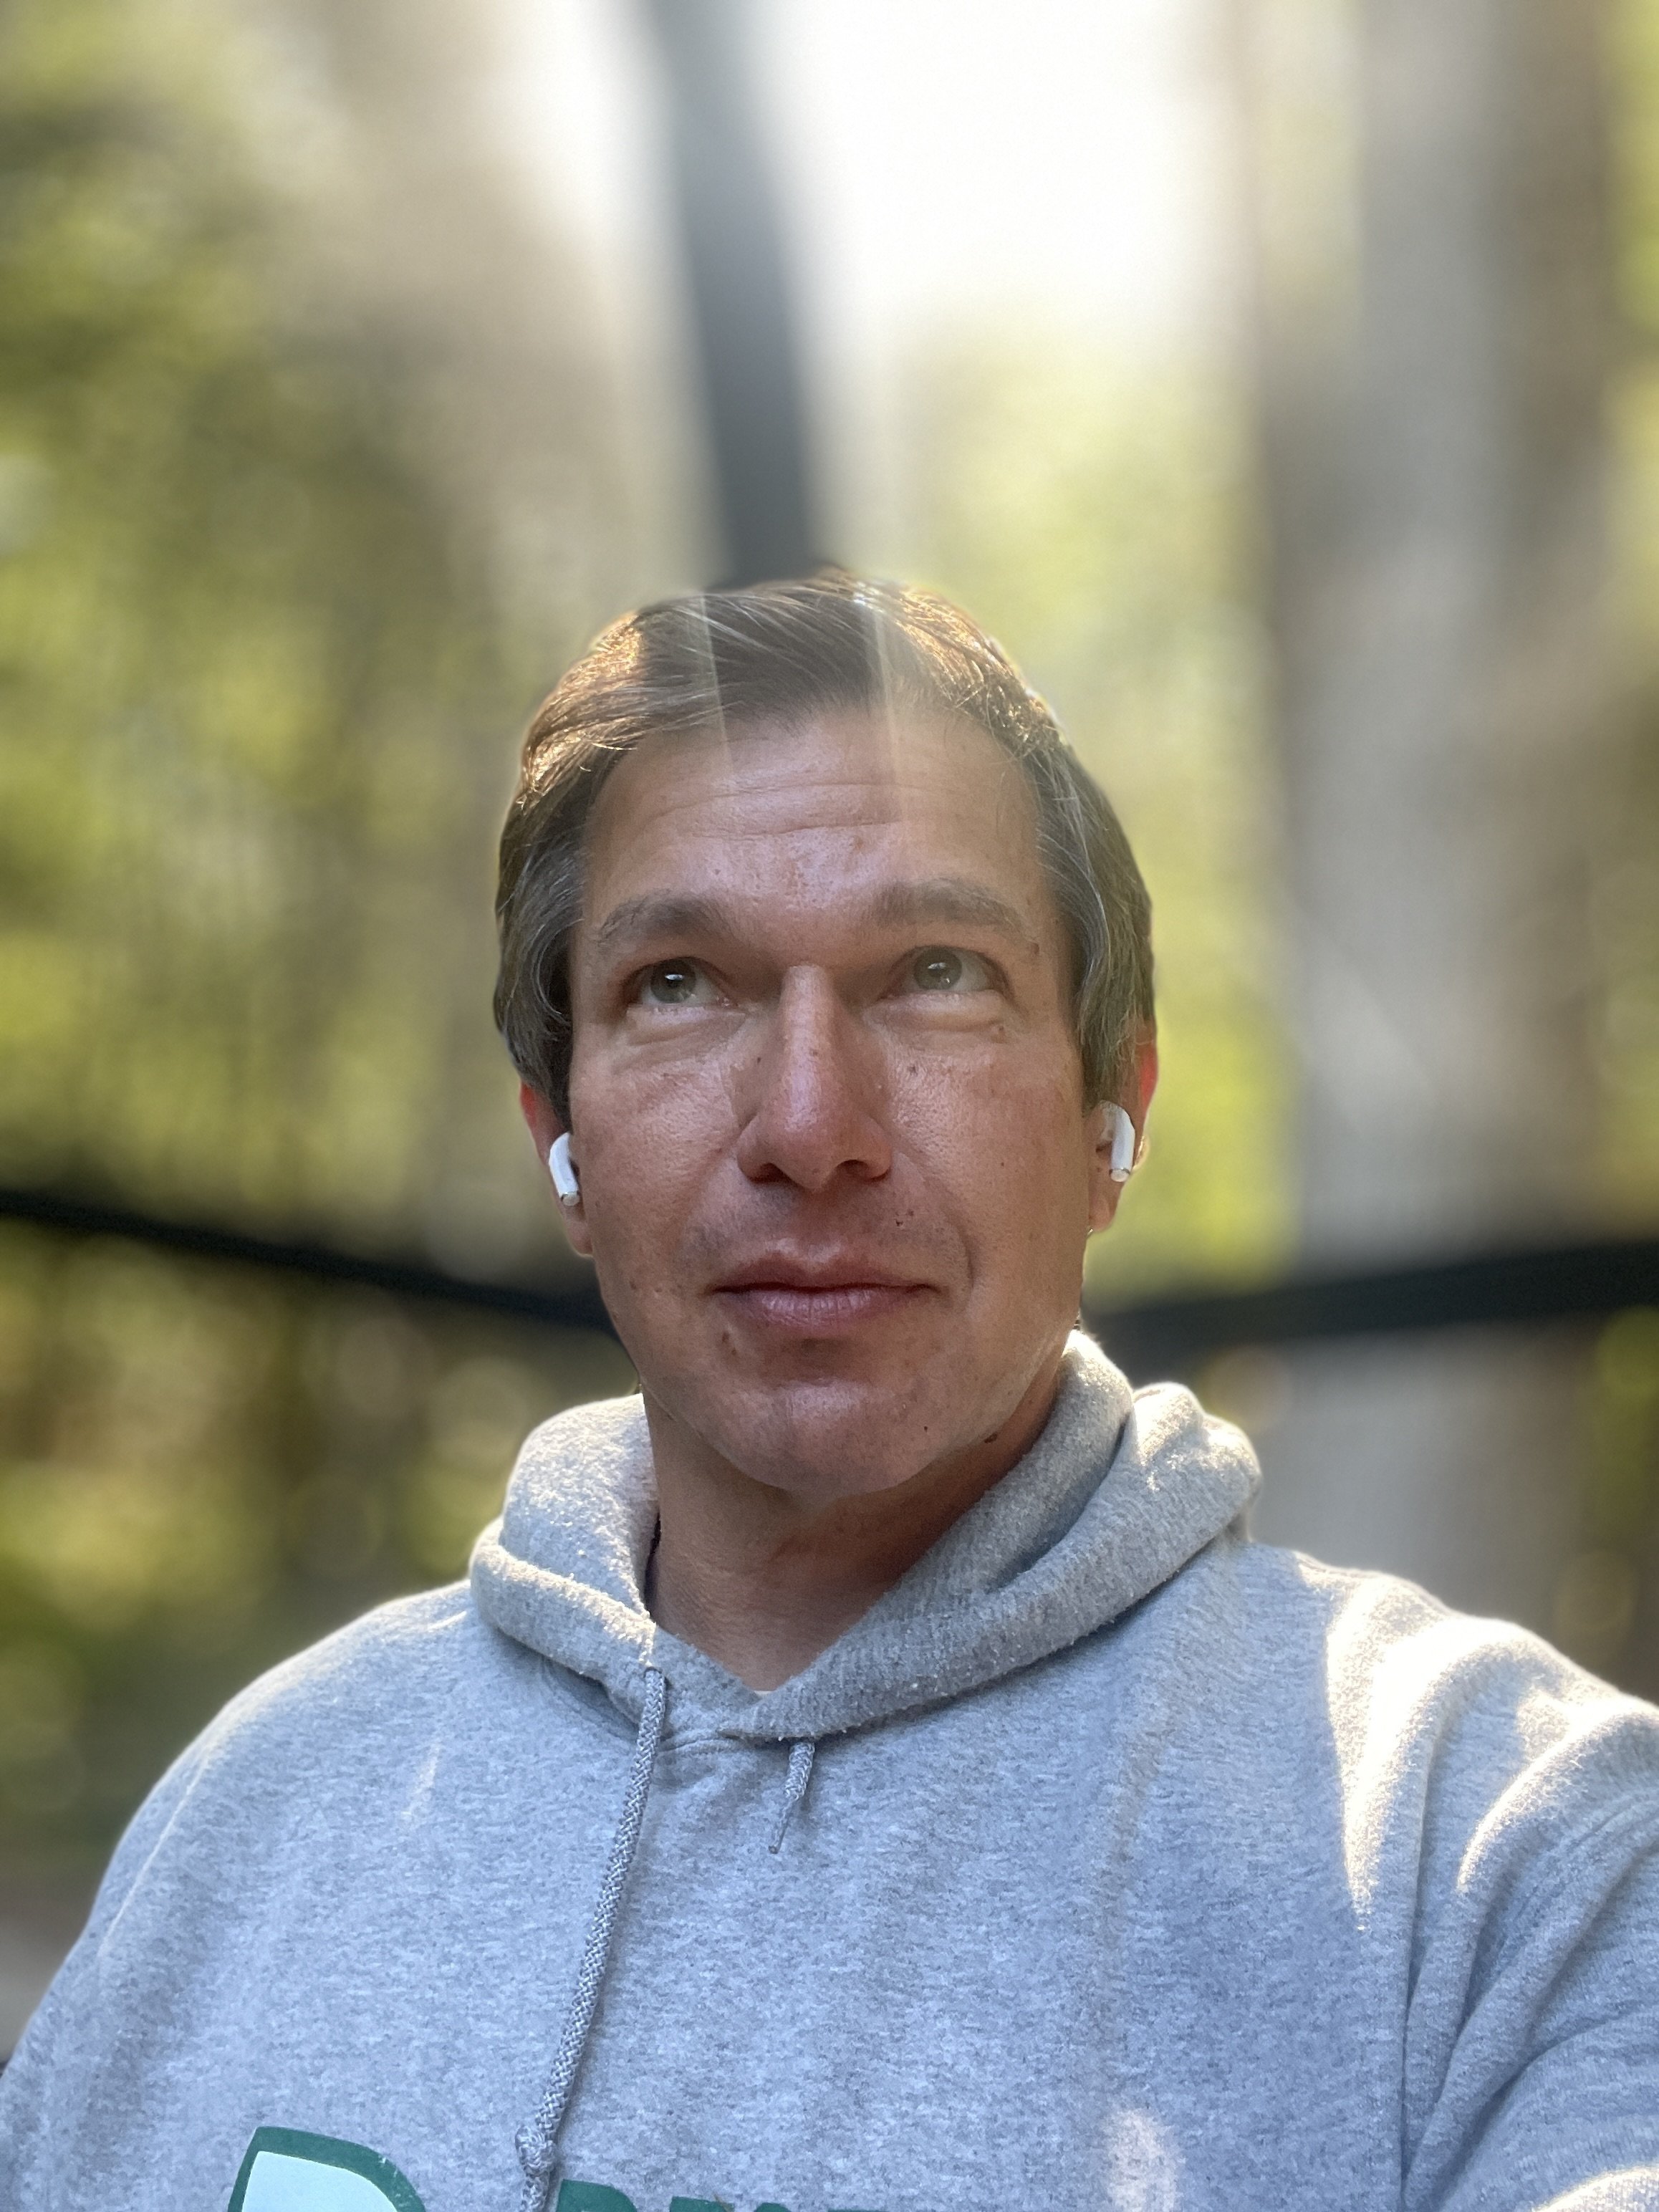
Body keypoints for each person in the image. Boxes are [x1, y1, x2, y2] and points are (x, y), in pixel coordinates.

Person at [3, 575, 1657, 2212]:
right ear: (558, 1146)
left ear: (1111, 1114)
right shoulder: (260, 1802)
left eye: (935, 969)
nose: (812, 1119)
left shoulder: (1508, 1854)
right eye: (680, 983)